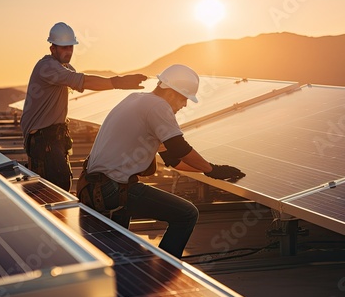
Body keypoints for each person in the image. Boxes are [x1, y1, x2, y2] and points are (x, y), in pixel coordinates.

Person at [77, 64, 245, 258]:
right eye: (184, 98)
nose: (184, 105)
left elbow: (173, 160)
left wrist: (207, 170)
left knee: (117, 248)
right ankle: (167, 268)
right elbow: (180, 148)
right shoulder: (158, 106)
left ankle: (130, 272)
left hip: (94, 188)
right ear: (171, 92)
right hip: (112, 190)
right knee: (187, 214)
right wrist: (212, 169)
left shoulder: (136, 100)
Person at [21, 22, 146, 191]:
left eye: (70, 47)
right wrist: (118, 82)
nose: (68, 52)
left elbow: (83, 79)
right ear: (53, 48)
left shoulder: (62, 67)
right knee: (56, 188)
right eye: (64, 48)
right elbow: (84, 81)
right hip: (44, 140)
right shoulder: (47, 67)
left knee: (58, 186)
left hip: (52, 138)